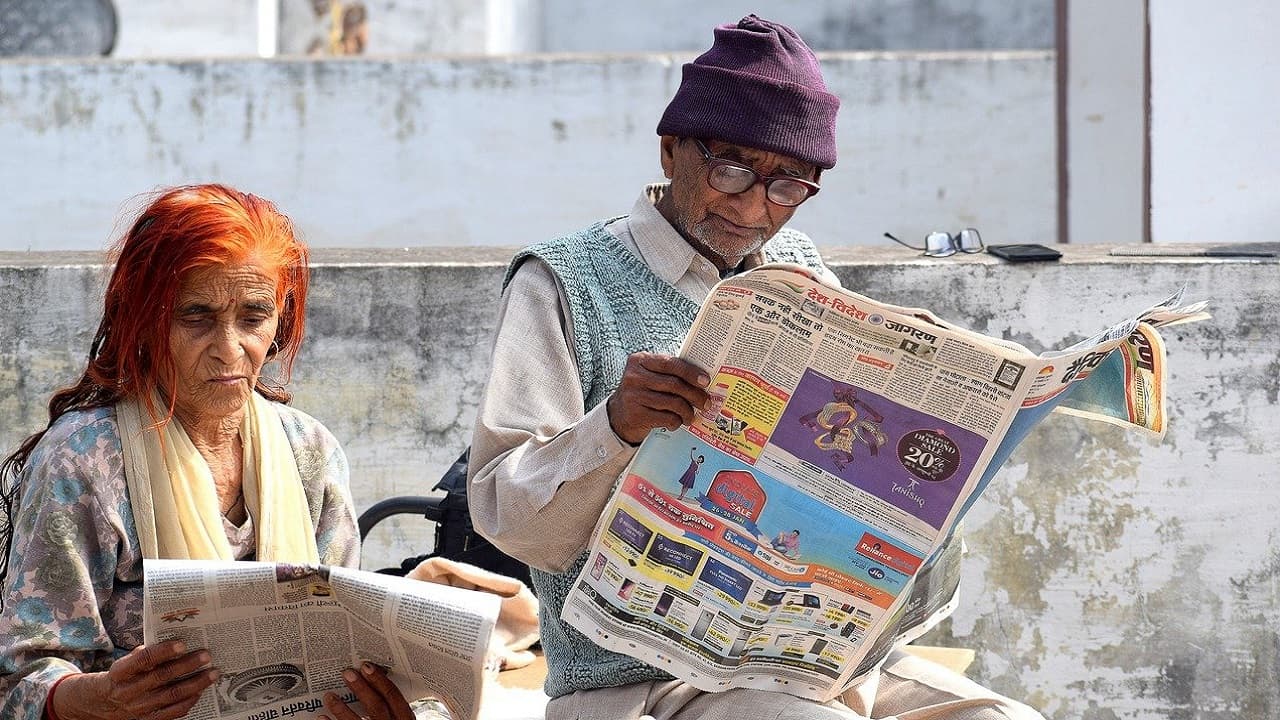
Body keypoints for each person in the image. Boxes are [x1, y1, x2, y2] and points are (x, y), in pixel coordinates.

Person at [468, 14, 1046, 720]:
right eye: (732, 170)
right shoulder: (563, 281)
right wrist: (615, 426)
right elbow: (507, 518)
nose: (752, 206)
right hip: (642, 684)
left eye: (788, 185)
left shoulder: (799, 271)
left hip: (811, 665)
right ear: (671, 149)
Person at [0, 185, 409, 720]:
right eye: (196, 317)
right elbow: (19, 680)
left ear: (280, 320)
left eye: (253, 317)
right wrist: (96, 699)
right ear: (144, 320)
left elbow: (343, 644)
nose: (230, 348)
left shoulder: (309, 450)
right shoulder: (86, 461)